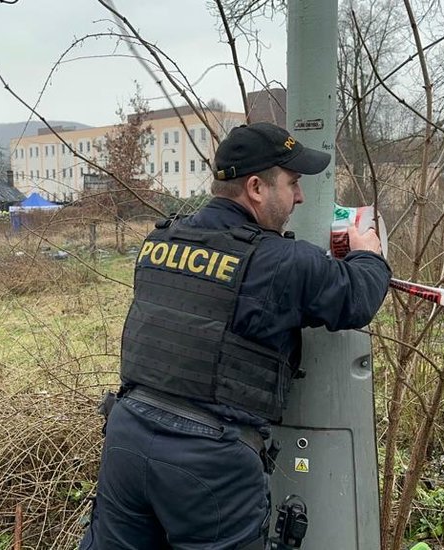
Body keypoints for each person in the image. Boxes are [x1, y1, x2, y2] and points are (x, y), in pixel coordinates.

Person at [79, 122, 391, 549]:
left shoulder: (160, 240)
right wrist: (367, 255)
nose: (299, 197)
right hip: (209, 463)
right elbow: (357, 298)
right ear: (258, 188)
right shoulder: (282, 261)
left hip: (128, 436)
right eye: (293, 183)